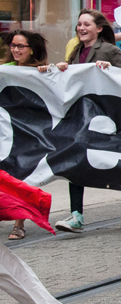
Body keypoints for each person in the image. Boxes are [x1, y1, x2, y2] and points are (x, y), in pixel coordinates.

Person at [51, 9, 121, 234]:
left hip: (104, 116)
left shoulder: (109, 50)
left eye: (86, 24)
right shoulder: (76, 51)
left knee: (106, 160)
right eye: (79, 24)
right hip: (81, 116)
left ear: (99, 29)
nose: (81, 28)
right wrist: (63, 69)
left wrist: (111, 70)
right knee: (75, 161)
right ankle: (76, 215)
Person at [2, 30, 49, 240]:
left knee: (21, 176)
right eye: (13, 45)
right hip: (6, 131)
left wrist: (54, 71)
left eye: (20, 46)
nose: (15, 49)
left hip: (29, 133)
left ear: (32, 49)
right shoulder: (5, 69)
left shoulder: (42, 71)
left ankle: (19, 223)